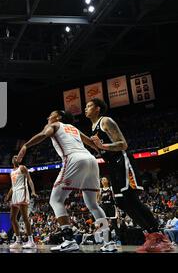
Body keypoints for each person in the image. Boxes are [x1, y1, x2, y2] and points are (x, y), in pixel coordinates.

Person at [17, 110, 116, 252]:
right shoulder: (73, 128)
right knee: (93, 204)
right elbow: (91, 143)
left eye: (50, 114)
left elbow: (44, 135)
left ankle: (69, 240)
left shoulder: (55, 124)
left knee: (55, 200)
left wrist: (26, 145)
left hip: (73, 159)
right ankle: (108, 243)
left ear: (58, 117)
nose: (48, 117)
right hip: (91, 160)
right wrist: (105, 151)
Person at [85, 98, 174, 252]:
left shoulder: (105, 121)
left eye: (89, 106)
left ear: (98, 108)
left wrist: (102, 145)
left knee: (130, 199)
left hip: (122, 161)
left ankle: (160, 237)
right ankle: (150, 235)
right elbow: (99, 148)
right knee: (121, 204)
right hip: (112, 166)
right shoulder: (92, 128)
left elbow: (123, 144)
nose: (85, 108)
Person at [4, 156, 37, 249]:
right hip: (15, 193)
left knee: (25, 217)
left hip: (22, 191)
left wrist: (33, 191)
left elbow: (29, 180)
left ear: (19, 160)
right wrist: (8, 195)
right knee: (12, 218)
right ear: (12, 160)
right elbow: (12, 186)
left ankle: (31, 241)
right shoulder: (11, 172)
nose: (16, 158)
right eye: (14, 157)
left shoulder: (22, 168)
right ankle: (18, 240)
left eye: (17, 157)